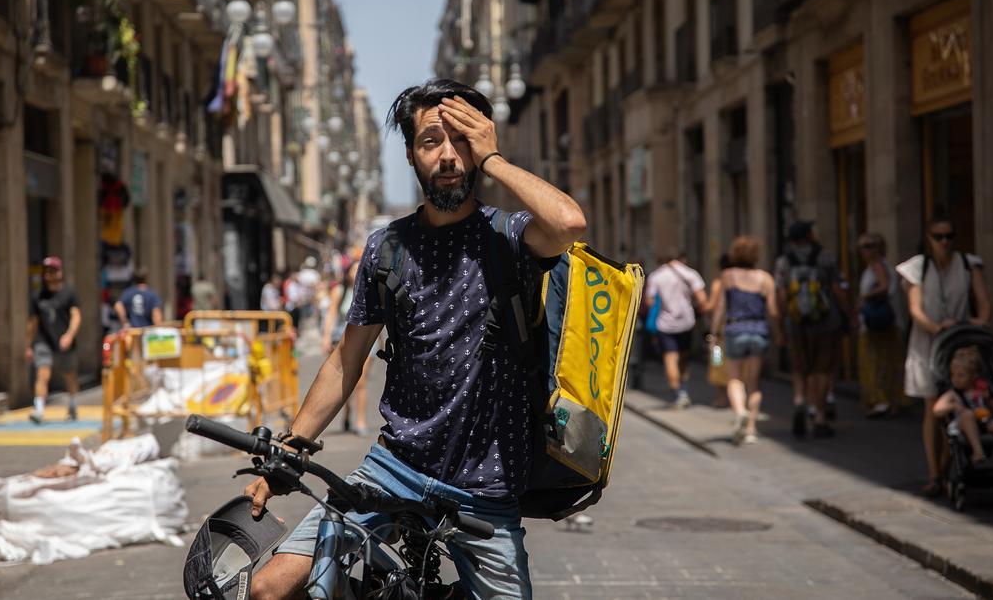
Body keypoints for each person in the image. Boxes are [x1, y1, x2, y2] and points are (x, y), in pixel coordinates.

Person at [244, 79, 586, 598]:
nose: (448, 155)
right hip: (395, 468)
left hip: (486, 487)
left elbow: (567, 223)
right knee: (270, 588)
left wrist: (491, 157)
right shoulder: (388, 247)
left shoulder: (509, 236)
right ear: (410, 154)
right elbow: (346, 359)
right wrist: (289, 452)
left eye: (461, 141)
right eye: (431, 142)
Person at [897, 213, 991, 497]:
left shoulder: (968, 264)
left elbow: (985, 303)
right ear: (929, 239)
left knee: (957, 406)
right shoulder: (918, 267)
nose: (945, 242)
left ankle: (949, 468)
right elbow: (915, 309)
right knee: (931, 408)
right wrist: (937, 329)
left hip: (959, 345)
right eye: (938, 237)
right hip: (928, 344)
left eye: (949, 236)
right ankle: (934, 473)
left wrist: (977, 323)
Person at [774, 220, 850, 438]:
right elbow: (837, 288)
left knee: (799, 369)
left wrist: (781, 324)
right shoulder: (825, 257)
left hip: (796, 323)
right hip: (826, 322)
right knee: (822, 369)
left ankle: (799, 401)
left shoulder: (783, 261)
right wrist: (850, 313)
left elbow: (781, 295)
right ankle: (819, 415)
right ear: (809, 235)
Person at [713, 237, 779, 445]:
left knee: (734, 379)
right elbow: (773, 311)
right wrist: (779, 333)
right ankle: (750, 428)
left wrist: (713, 332)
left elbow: (721, 308)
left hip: (735, 330)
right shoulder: (765, 279)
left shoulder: (728, 276)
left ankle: (740, 411)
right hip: (759, 330)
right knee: (754, 382)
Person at [933, 346, 993, 473]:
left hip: (985, 422)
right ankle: (977, 452)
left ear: (974, 376)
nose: (955, 379)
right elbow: (936, 409)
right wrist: (953, 406)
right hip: (964, 426)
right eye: (953, 375)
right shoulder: (953, 394)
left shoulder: (982, 390)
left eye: (960, 375)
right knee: (967, 414)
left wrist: (989, 399)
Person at [644, 249, 711, 408]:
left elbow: (649, 301)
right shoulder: (690, 274)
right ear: (682, 258)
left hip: (665, 323)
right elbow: (702, 300)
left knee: (670, 358)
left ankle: (678, 394)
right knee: (683, 357)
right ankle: (684, 388)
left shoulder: (656, 276)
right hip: (686, 322)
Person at [26, 256, 82, 424]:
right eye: (46, 272)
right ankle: (39, 409)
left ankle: (72, 403)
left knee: (69, 374)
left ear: (60, 272)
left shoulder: (69, 293)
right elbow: (33, 323)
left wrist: (69, 335)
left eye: (52, 271)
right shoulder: (38, 296)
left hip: (65, 340)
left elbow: (76, 316)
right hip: (44, 340)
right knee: (43, 373)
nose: (48, 275)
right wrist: (28, 345)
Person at [855, 233, 905, 418]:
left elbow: (884, 286)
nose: (865, 251)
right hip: (883, 321)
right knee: (887, 360)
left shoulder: (878, 266)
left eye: (870, 246)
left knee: (876, 360)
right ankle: (890, 401)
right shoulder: (877, 266)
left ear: (879, 248)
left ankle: (882, 400)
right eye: (862, 247)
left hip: (878, 322)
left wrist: (864, 298)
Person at [322, 260, 374, 435]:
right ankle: (347, 413)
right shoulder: (340, 291)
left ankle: (360, 421)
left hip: (368, 341)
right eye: (354, 268)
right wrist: (326, 337)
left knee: (361, 382)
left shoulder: (371, 289)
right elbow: (330, 314)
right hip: (343, 340)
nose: (357, 272)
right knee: (345, 380)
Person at [705, 254, 733, 408]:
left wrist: (713, 331)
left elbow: (713, 307)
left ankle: (721, 397)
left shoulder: (718, 283)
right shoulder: (740, 281)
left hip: (720, 330)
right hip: (735, 328)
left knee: (717, 361)